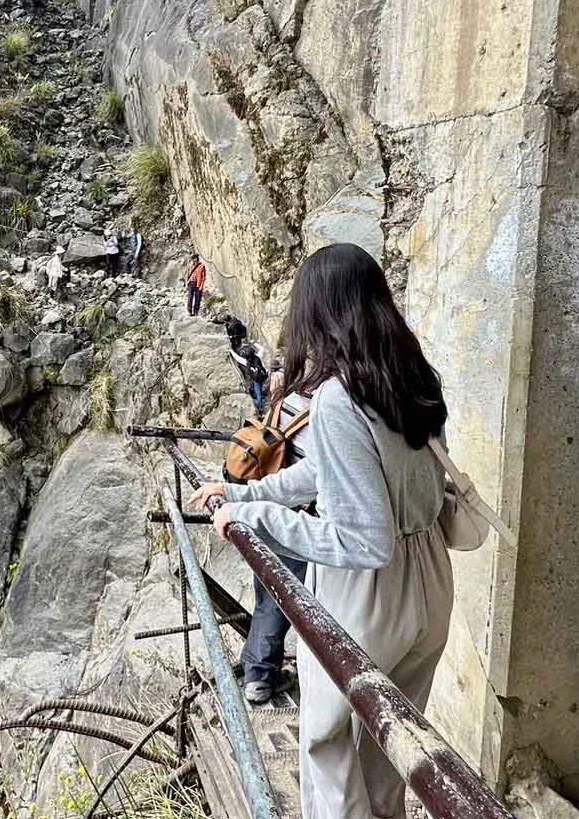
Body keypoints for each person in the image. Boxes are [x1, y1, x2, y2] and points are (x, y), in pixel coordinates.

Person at [188, 243, 452, 819]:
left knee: (327, 743)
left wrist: (250, 517)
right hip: (432, 579)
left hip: (371, 593)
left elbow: (363, 541)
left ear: (319, 312)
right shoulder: (409, 377)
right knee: (392, 745)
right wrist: (245, 493)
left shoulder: (336, 398)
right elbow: (330, 470)